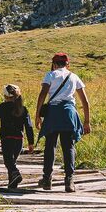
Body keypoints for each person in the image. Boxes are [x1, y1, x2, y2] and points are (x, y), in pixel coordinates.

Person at [34, 52, 90, 192]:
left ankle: (47, 179)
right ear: (67, 64)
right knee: (68, 147)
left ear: (54, 64)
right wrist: (87, 121)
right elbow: (85, 102)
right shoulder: (74, 76)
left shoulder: (50, 75)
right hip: (68, 113)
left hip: (53, 113)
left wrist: (37, 114)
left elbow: (42, 94)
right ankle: (69, 181)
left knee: (50, 146)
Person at [0, 84, 35, 189]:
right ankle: (12, 184)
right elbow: (29, 127)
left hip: (7, 138)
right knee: (12, 162)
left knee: (9, 162)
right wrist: (31, 143)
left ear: (5, 96)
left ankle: (16, 174)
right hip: (19, 140)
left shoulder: (3, 107)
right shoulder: (23, 109)